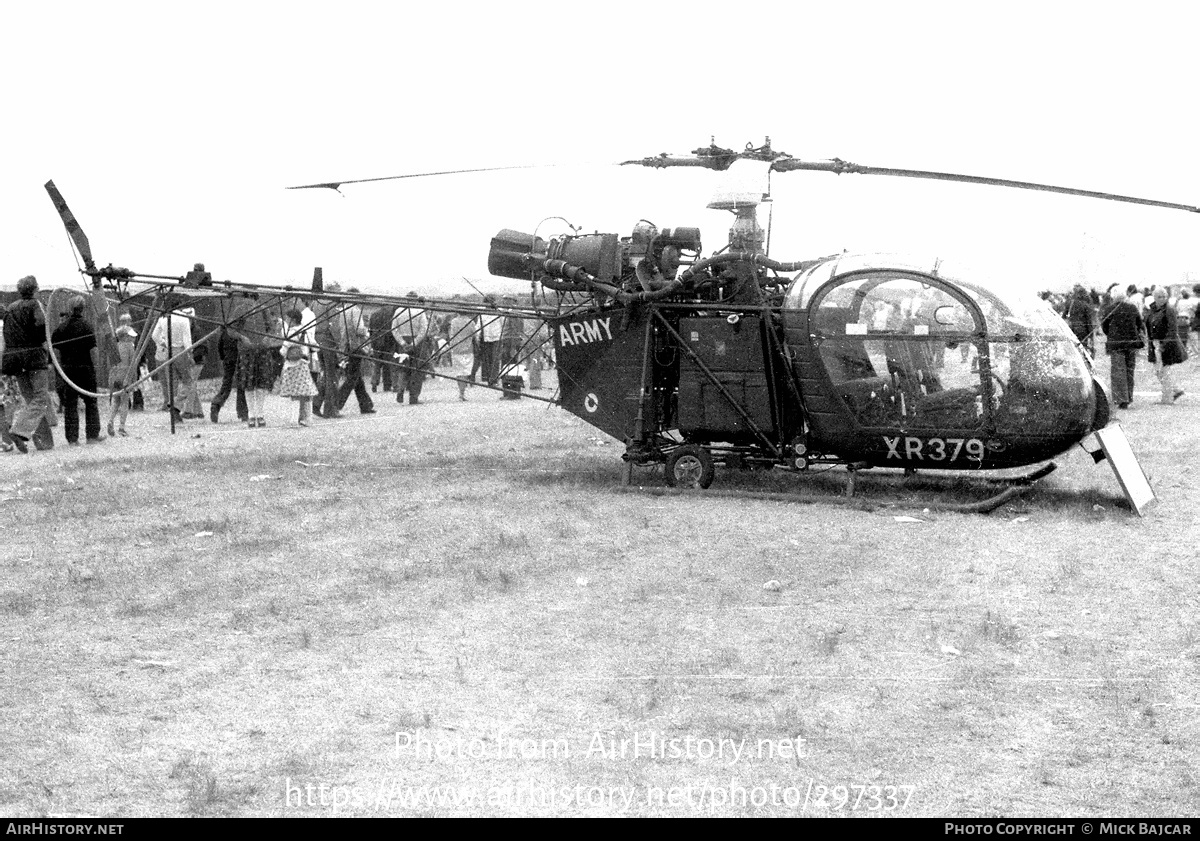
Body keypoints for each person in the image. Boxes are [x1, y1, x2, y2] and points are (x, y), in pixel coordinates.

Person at [1, 276, 55, 453]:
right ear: (35, 289)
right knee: (40, 398)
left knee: (32, 400)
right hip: (33, 358)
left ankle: (44, 442)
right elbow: (42, 327)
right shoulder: (35, 304)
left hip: (14, 358)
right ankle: (19, 430)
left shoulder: (11, 307)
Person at [50, 296, 103, 445]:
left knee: (70, 404)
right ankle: (92, 436)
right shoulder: (87, 326)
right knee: (91, 402)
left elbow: (55, 351)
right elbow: (93, 350)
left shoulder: (61, 328)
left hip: (68, 370)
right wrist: (96, 367)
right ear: (83, 308)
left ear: (69, 308)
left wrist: (60, 368)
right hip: (86, 368)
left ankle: (72, 439)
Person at [234, 310, 283, 427]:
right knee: (248, 384)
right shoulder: (240, 309)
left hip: (262, 350)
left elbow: (272, 328)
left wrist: (268, 337)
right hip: (247, 351)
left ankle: (260, 414)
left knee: (261, 384)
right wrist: (241, 337)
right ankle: (251, 415)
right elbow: (230, 330)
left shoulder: (264, 310)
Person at [1100, 285, 1144, 410]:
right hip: (1131, 344)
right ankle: (1128, 397)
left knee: (1118, 371)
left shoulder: (1109, 309)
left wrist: (1111, 335)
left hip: (1116, 344)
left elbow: (1104, 327)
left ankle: (1121, 399)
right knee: (1129, 371)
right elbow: (1139, 324)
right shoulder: (1132, 308)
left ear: (1113, 296)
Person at [150, 304, 196, 424]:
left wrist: (163, 343)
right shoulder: (183, 318)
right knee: (188, 381)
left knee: (172, 383)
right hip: (180, 350)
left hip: (168, 351)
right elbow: (187, 339)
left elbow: (154, 335)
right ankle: (175, 405)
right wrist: (190, 355)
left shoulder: (163, 318)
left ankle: (173, 407)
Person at [335, 291, 375, 415]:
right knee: (353, 377)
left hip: (346, 344)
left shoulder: (343, 311)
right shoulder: (356, 310)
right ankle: (336, 403)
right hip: (356, 345)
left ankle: (366, 405)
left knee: (356, 376)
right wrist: (367, 331)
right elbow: (359, 329)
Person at [1145, 287, 1186, 404]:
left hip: (1165, 344)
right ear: (1154, 298)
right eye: (1159, 297)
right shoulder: (1152, 310)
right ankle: (1176, 390)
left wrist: (1164, 345)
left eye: (1164, 296)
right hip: (1154, 343)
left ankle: (1167, 398)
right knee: (1159, 371)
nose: (1162, 299)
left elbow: (1173, 330)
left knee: (1164, 371)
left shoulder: (1169, 310)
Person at [391, 295, 433, 405]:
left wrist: (402, 342)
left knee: (403, 367)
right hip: (417, 342)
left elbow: (394, 328)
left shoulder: (399, 310)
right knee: (417, 369)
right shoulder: (420, 311)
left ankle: (400, 390)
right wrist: (414, 343)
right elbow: (424, 329)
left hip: (402, 340)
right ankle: (413, 396)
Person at [279, 309, 318, 426]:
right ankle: (307, 418)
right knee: (305, 393)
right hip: (304, 364)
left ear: (293, 320)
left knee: (294, 394)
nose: (286, 321)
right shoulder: (305, 331)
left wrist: (283, 351)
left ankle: (293, 420)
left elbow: (283, 350)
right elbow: (315, 347)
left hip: (293, 365)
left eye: (287, 319)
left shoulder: (291, 333)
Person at [209, 312, 249, 423]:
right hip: (240, 360)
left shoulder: (225, 332)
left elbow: (219, 346)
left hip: (228, 359)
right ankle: (243, 413)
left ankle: (216, 404)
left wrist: (223, 358)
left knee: (226, 384)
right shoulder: (240, 334)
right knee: (241, 385)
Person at [311, 288, 345, 419]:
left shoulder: (316, 302)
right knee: (332, 376)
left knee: (324, 373)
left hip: (317, 339)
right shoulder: (331, 304)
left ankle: (316, 403)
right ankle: (330, 409)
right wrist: (339, 345)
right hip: (328, 340)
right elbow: (334, 326)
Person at [106, 313, 138, 437]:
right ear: (125, 337)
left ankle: (110, 421)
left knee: (115, 401)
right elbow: (132, 364)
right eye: (131, 336)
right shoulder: (130, 346)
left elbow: (111, 365)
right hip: (125, 377)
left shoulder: (115, 347)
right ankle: (122, 427)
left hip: (114, 378)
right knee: (125, 402)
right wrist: (133, 380)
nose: (133, 339)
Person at [368, 304, 398, 392]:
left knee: (377, 363)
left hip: (376, 341)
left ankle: (374, 383)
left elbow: (370, 329)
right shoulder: (391, 314)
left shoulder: (374, 314)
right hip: (388, 341)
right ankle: (393, 385)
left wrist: (373, 341)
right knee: (391, 363)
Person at [1064, 285, 1097, 356]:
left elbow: (1063, 316)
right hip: (1082, 331)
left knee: (1073, 349)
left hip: (1071, 329)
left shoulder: (1070, 303)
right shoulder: (1086, 305)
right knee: (1082, 350)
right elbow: (1089, 322)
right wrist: (1091, 336)